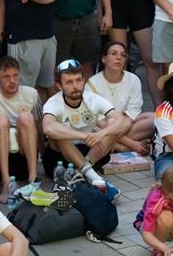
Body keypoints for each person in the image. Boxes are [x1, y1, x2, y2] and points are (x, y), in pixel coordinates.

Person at [41, 60, 122, 189]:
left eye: (78, 80)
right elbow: (48, 127)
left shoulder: (93, 99)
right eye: (69, 82)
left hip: (90, 154)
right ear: (59, 85)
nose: (75, 86)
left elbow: (121, 121)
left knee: (113, 126)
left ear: (84, 80)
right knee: (58, 132)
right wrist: (82, 136)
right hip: (60, 160)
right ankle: (94, 177)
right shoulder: (53, 102)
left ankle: (82, 172)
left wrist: (102, 133)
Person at [0, 56, 42, 195]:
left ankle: (33, 178)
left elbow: (39, 126)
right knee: (1, 120)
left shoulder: (32, 94)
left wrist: (43, 152)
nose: (12, 81)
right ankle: (6, 182)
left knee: (26, 117)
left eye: (15, 75)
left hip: (23, 156)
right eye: (6, 76)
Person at [87, 40, 153, 154]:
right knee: (96, 126)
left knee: (154, 119)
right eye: (114, 53)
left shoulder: (133, 79)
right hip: (101, 127)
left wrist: (118, 127)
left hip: (125, 126)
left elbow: (133, 113)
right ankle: (122, 147)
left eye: (123, 55)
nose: (119, 58)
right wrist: (131, 144)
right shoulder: (91, 83)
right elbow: (98, 120)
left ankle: (111, 144)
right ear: (104, 59)